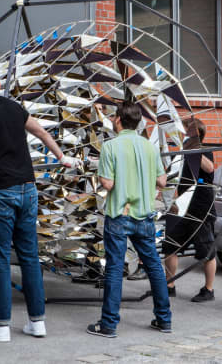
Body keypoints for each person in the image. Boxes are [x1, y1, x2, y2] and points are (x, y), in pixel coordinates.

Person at [0, 67, 82, 342]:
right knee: (29, 256)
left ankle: (1, 327)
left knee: (0, 258)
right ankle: (37, 322)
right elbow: (41, 132)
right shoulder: (15, 108)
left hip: (0, 191)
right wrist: (62, 157)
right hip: (28, 188)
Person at [87, 101, 172, 338]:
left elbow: (108, 183)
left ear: (118, 120)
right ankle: (164, 319)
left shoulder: (110, 146)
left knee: (114, 268)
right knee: (154, 265)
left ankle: (109, 324)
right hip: (144, 214)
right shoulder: (149, 147)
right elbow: (163, 181)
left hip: (119, 214)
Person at [162, 118, 217, 302]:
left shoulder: (204, 150)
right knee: (170, 244)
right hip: (183, 205)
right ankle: (169, 285)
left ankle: (208, 289)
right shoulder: (182, 154)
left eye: (185, 132)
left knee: (206, 249)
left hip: (201, 205)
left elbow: (209, 168)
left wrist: (194, 150)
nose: (181, 136)